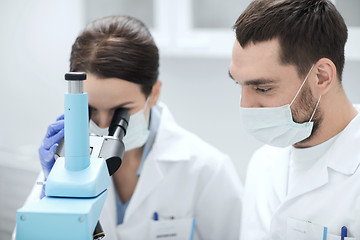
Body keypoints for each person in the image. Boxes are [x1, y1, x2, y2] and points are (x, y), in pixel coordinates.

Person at [21, 15, 243, 239]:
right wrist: (50, 199)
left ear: (154, 93)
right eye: (90, 110)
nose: (105, 125)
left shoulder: (206, 170)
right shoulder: (67, 166)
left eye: (121, 112)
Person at [229, 0, 360, 239]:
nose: (245, 106)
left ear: (321, 77)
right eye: (239, 85)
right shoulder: (263, 164)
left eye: (262, 89)